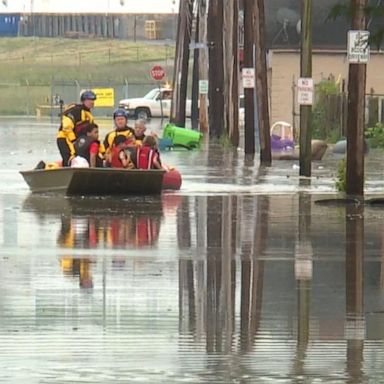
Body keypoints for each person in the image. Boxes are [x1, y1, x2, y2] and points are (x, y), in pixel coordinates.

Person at [57, 90, 97, 166]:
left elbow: (91, 132)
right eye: (89, 100)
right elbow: (67, 127)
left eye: (93, 100)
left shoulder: (89, 116)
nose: (92, 102)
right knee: (71, 158)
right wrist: (74, 141)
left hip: (78, 142)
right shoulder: (75, 110)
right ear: (83, 101)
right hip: (65, 138)